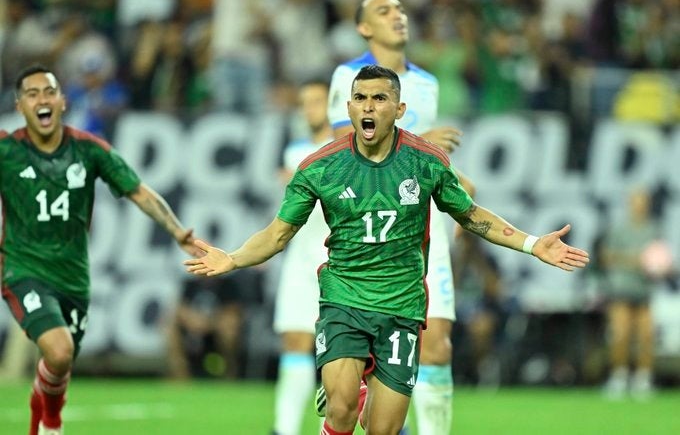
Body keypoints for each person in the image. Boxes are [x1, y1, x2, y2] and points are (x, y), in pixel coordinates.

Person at [185, 65, 590, 435]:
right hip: (343, 300)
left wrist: (533, 243)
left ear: (399, 108)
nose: (368, 106)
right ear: (348, 106)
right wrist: (233, 257)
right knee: (340, 411)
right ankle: (345, 395)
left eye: (379, 98)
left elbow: (470, 215)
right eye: (360, 98)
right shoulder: (320, 167)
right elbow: (276, 235)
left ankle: (362, 392)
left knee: (383, 430)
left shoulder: (426, 161)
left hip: (401, 306)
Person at [0, 64, 201, 435]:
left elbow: (137, 190)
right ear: (20, 105)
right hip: (23, 269)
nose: (42, 100)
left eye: (49, 92)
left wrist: (175, 230)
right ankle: (51, 425)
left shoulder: (88, 150)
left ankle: (41, 414)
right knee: (57, 352)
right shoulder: (7, 151)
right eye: (32, 94)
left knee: (59, 364)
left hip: (73, 276)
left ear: (62, 101)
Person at [325, 0, 474, 434]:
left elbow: (421, 158)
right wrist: (422, 137)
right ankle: (356, 396)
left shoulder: (426, 82)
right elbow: (341, 144)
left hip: (422, 223)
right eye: (384, 11)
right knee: (374, 344)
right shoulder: (348, 76)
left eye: (401, 10)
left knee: (438, 345)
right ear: (364, 27)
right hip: (369, 223)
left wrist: (456, 181)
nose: (399, 17)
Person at [272, 79, 334, 435]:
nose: (309, 109)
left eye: (316, 101)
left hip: (339, 258)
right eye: (304, 102)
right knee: (295, 340)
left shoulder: (344, 147)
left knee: (345, 348)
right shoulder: (295, 150)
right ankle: (285, 429)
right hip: (300, 258)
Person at [600, 188, 668, 400]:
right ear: (630, 203)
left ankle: (643, 379)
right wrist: (634, 260)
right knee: (621, 335)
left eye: (643, 201)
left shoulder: (654, 229)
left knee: (646, 336)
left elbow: (661, 258)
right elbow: (606, 257)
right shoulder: (619, 230)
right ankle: (619, 377)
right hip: (621, 288)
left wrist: (659, 266)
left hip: (644, 289)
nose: (640, 205)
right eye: (636, 201)